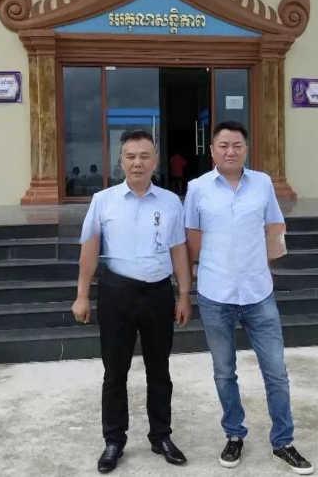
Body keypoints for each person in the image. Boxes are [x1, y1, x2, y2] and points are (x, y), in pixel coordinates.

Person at [184, 120, 313, 474]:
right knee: (224, 372)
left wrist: (262, 265)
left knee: (276, 372)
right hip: (215, 294)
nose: (230, 151)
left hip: (258, 294)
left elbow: (274, 227)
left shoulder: (263, 184)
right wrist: (193, 275)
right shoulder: (197, 188)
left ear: (246, 149)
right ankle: (234, 434)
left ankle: (283, 441)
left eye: (237, 145)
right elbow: (192, 236)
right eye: (223, 145)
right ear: (212, 150)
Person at [72, 129, 192, 474]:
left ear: (155, 161)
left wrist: (184, 294)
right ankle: (114, 440)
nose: (137, 162)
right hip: (117, 294)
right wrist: (82, 295)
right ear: (121, 160)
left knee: (160, 370)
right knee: (115, 372)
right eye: (130, 156)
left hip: (158, 294)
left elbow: (179, 250)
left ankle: (161, 436)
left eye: (144, 156)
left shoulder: (170, 202)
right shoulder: (103, 201)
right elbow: (89, 250)